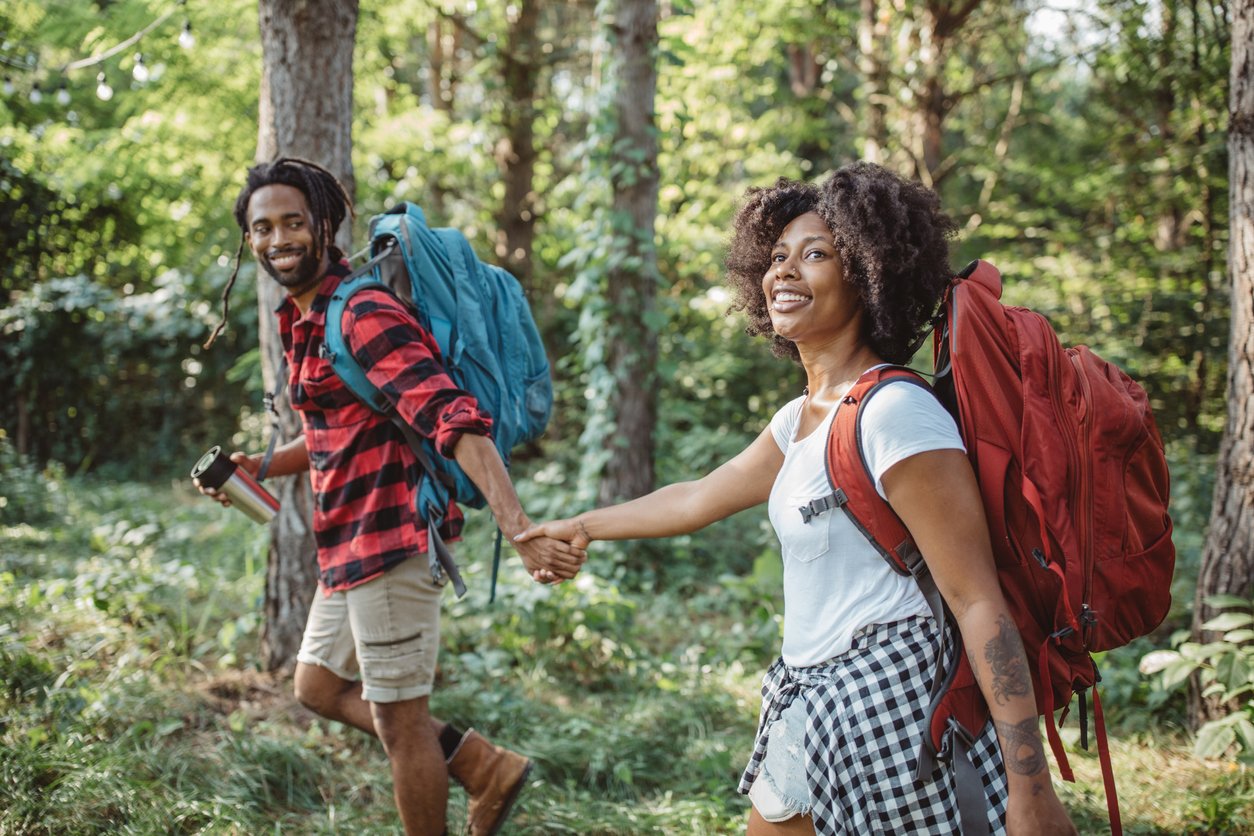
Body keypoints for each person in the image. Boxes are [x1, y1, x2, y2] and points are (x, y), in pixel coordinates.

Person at [517, 163, 1077, 835]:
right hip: (812, 694)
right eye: (777, 256)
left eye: (815, 254)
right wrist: (581, 526)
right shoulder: (804, 415)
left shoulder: (895, 411)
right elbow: (697, 497)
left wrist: (1031, 787)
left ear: (870, 276)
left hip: (895, 700)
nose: (784, 271)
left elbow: (977, 600)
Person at [197, 157, 586, 836]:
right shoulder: (303, 316)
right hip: (347, 542)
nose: (279, 237)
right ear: (248, 240)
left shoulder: (363, 312)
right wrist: (258, 462)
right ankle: (484, 765)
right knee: (316, 687)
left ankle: (474, 779)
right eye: (263, 227)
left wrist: (517, 526)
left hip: (393, 537)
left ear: (323, 225)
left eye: (293, 221)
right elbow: (335, 429)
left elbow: (454, 417)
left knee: (400, 722)